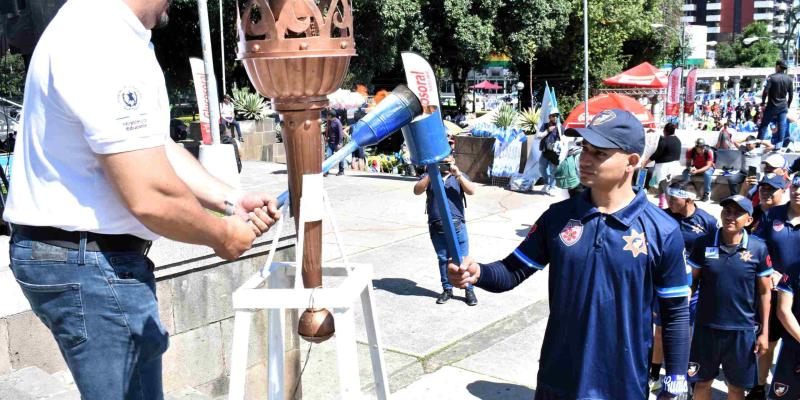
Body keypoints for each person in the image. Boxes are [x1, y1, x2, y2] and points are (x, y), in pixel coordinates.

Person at [2, 0, 282, 398]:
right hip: (89, 263)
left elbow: (153, 146)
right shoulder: (104, 38)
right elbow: (149, 193)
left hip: (83, 257)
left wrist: (230, 201)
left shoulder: (107, 27)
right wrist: (221, 236)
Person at [448, 109, 691, 399]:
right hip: (558, 379)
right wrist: (478, 273)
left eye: (599, 153)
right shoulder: (558, 217)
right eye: (584, 149)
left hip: (622, 384)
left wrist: (676, 379)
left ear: (632, 161)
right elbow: (512, 271)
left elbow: (675, 312)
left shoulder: (663, 230)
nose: (584, 160)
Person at [687, 195, 774, 400]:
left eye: (737, 213)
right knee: (701, 383)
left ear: (749, 220)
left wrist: (764, 332)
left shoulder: (758, 248)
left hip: (741, 330)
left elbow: (764, 292)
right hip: (706, 327)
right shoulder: (704, 243)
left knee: (735, 388)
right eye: (727, 211)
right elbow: (691, 283)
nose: (730, 216)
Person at [649, 182, 718, 392]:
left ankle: (682, 376)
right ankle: (654, 373)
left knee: (686, 333)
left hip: (692, 285)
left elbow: (713, 253)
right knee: (660, 330)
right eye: (668, 197)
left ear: (688, 199)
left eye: (673, 198)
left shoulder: (707, 221)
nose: (668, 201)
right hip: (665, 283)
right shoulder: (662, 216)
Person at [414, 142, 478, 306]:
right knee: (443, 259)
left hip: (458, 225)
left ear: (453, 160)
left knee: (463, 259)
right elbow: (417, 190)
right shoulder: (430, 176)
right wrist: (431, 173)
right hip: (437, 226)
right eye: (442, 161)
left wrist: (458, 175)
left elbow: (471, 190)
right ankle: (447, 289)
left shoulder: (459, 176)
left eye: (448, 160)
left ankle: (469, 289)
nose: (445, 164)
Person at [766, 174, 800, 399]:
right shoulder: (773, 214)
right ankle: (759, 386)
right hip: (774, 290)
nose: (798, 191)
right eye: (795, 187)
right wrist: (769, 271)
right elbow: (758, 246)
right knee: (768, 342)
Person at [758, 60, 794, 150]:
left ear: (778, 66)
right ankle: (779, 145)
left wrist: (763, 103)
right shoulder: (789, 79)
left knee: (764, 125)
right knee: (782, 125)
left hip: (772, 106)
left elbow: (765, 91)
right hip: (783, 106)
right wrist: (788, 105)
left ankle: (758, 143)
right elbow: (791, 95)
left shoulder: (772, 77)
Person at [648, 122, 682, 208]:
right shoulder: (678, 140)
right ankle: (662, 204)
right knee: (663, 186)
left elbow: (657, 154)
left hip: (664, 168)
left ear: (665, 131)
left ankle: (669, 206)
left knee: (664, 186)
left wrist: (646, 161)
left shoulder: (664, 141)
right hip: (674, 167)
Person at [538, 112, 561, 196]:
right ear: (549, 117)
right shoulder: (545, 126)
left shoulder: (560, 127)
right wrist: (548, 130)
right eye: (553, 116)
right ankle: (546, 183)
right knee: (541, 168)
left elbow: (564, 139)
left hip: (554, 154)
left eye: (557, 116)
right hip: (545, 152)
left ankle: (552, 187)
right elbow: (539, 136)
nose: (555, 117)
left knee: (553, 172)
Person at [324, 111, 345, 176]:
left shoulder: (337, 122)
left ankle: (341, 171)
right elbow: (328, 131)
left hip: (337, 143)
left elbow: (341, 133)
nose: (326, 116)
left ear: (330, 115)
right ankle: (326, 171)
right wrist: (326, 137)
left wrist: (339, 143)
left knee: (340, 157)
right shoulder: (329, 122)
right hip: (330, 142)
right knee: (328, 156)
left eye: (327, 115)